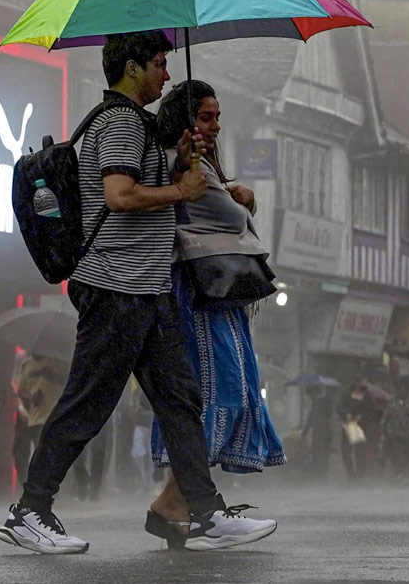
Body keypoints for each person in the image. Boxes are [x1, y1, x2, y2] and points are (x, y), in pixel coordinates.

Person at [0, 31, 275, 555]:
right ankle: (30, 510)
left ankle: (206, 514)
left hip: (146, 288)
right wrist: (181, 190)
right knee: (88, 402)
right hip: (115, 286)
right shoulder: (122, 122)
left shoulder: (139, 124)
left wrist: (191, 165)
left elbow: (146, 183)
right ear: (130, 67)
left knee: (180, 399)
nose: (166, 75)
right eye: (158, 64)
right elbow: (119, 195)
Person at [147, 79, 285, 521]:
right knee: (216, 390)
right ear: (184, 120)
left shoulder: (200, 167)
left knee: (228, 390)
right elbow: (230, 216)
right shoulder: (184, 168)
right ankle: (177, 502)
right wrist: (244, 198)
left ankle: (181, 504)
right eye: (206, 116)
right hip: (200, 296)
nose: (215, 125)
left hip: (216, 296)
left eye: (218, 117)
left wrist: (236, 194)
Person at [15, 351, 68, 481]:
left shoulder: (56, 362)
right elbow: (21, 391)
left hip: (51, 417)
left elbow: (67, 381)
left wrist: (52, 376)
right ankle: (26, 485)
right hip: (32, 418)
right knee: (19, 452)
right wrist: (32, 397)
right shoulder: (25, 364)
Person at [381, 378, 409, 481]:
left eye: (404, 389)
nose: (402, 391)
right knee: (396, 456)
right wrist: (385, 430)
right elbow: (386, 417)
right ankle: (398, 474)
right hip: (395, 433)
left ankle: (408, 476)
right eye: (400, 389)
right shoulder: (392, 402)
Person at [337, 380, 374, 482]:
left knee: (360, 453)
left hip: (360, 427)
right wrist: (347, 414)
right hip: (348, 426)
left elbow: (370, 411)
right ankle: (351, 474)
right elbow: (340, 407)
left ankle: (360, 475)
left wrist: (361, 416)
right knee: (345, 451)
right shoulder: (347, 394)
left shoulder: (366, 396)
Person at [302, 385, 334, 478]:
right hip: (325, 431)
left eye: (310, 396)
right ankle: (323, 475)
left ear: (314, 394)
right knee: (323, 455)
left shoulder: (318, 404)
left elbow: (311, 418)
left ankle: (320, 475)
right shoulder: (326, 402)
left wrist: (305, 431)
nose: (310, 398)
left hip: (321, 432)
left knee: (319, 454)